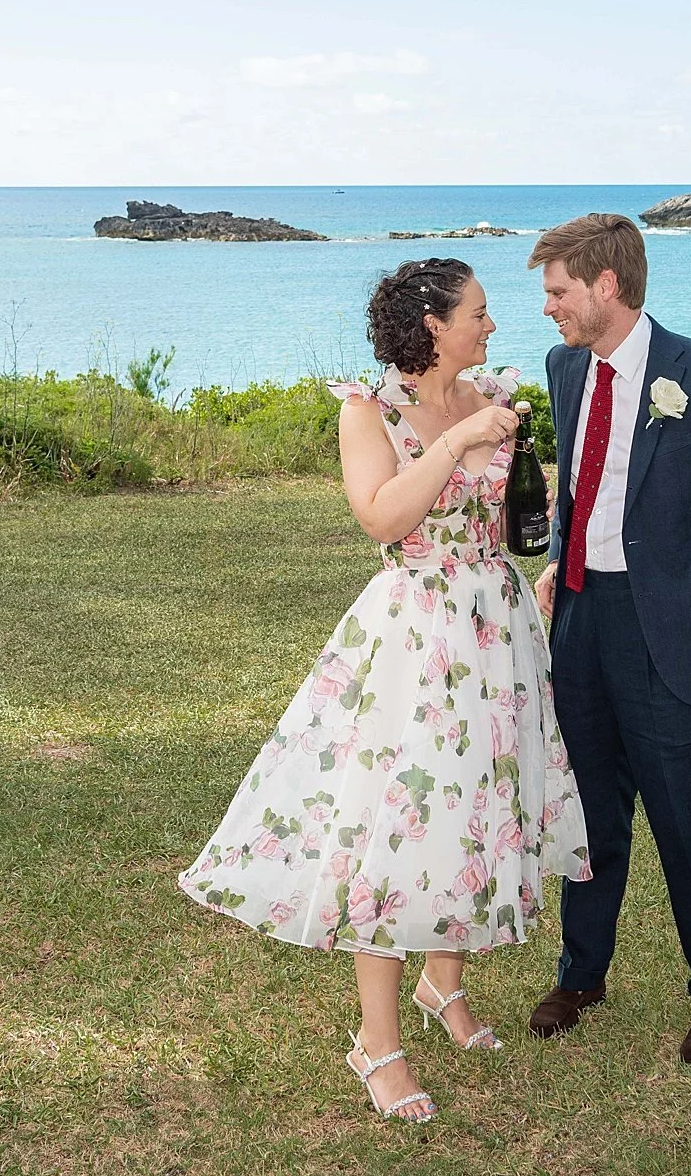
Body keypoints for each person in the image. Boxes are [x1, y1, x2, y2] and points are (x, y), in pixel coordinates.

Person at [178, 257, 591, 1123]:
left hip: (496, 625)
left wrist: (529, 528)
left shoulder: (493, 393)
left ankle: (446, 987)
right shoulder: (370, 410)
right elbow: (382, 516)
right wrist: (453, 443)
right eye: (478, 312)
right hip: (417, 630)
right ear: (433, 324)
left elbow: (505, 515)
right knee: (401, 822)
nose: (490, 325)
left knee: (478, 804)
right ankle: (378, 1039)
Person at [523, 213, 691, 1065]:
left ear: (606, 286)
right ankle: (581, 973)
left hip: (670, 629)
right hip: (582, 621)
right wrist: (559, 561)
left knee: (686, 818)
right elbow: (580, 479)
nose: (549, 309)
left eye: (558, 291)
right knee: (590, 811)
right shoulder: (566, 368)